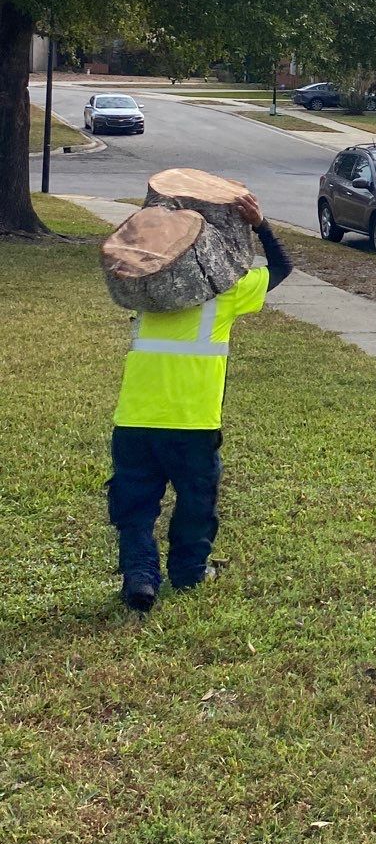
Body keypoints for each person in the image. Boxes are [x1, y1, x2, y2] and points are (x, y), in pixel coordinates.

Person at [107, 190, 291, 612]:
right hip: (192, 423)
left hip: (134, 418)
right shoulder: (225, 296)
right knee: (195, 502)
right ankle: (188, 574)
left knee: (134, 505)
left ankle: (140, 577)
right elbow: (283, 268)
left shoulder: (146, 293)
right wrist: (261, 225)